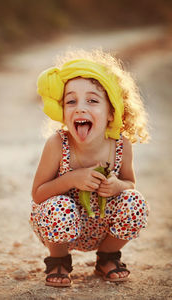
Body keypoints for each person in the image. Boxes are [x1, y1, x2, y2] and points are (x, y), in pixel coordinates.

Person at [29, 49, 149, 287]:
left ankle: (107, 257)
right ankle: (59, 261)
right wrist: (72, 179)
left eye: (92, 101)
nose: (80, 108)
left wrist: (117, 186)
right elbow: (38, 194)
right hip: (59, 225)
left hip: (101, 225)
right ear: (62, 110)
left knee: (135, 201)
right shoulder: (57, 144)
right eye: (71, 101)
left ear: (111, 112)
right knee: (57, 204)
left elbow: (130, 183)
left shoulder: (120, 146)